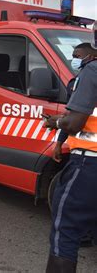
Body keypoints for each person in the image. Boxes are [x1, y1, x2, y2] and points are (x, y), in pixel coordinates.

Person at [43, 42, 97, 272]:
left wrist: (54, 122)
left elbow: (74, 121)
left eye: (78, 55)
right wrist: (60, 140)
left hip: (89, 163)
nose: (76, 59)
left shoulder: (92, 70)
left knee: (65, 228)